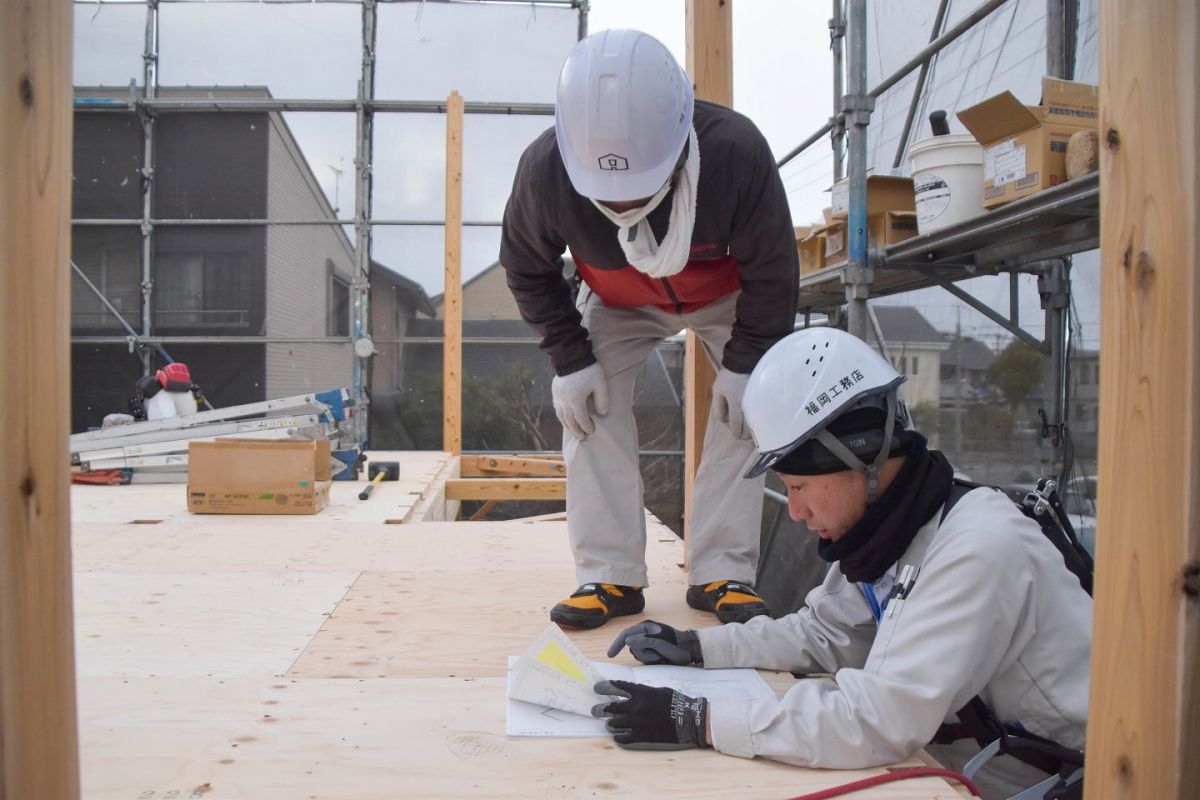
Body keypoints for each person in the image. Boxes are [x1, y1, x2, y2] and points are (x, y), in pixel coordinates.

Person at [594, 327, 1092, 799]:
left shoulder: (977, 548)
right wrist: (696, 645)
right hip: (962, 763)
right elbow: (822, 634)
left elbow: (877, 721)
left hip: (1057, 784)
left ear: (859, 458)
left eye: (800, 486)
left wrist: (697, 717)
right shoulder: (899, 529)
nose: (794, 511)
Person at [499, 29, 799, 629]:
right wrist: (569, 358)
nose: (621, 205)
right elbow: (525, 269)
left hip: (727, 297)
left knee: (747, 412)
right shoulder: (544, 171)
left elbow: (773, 272)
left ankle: (723, 572)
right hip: (617, 301)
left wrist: (745, 367)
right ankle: (607, 575)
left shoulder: (736, 152)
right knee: (589, 410)